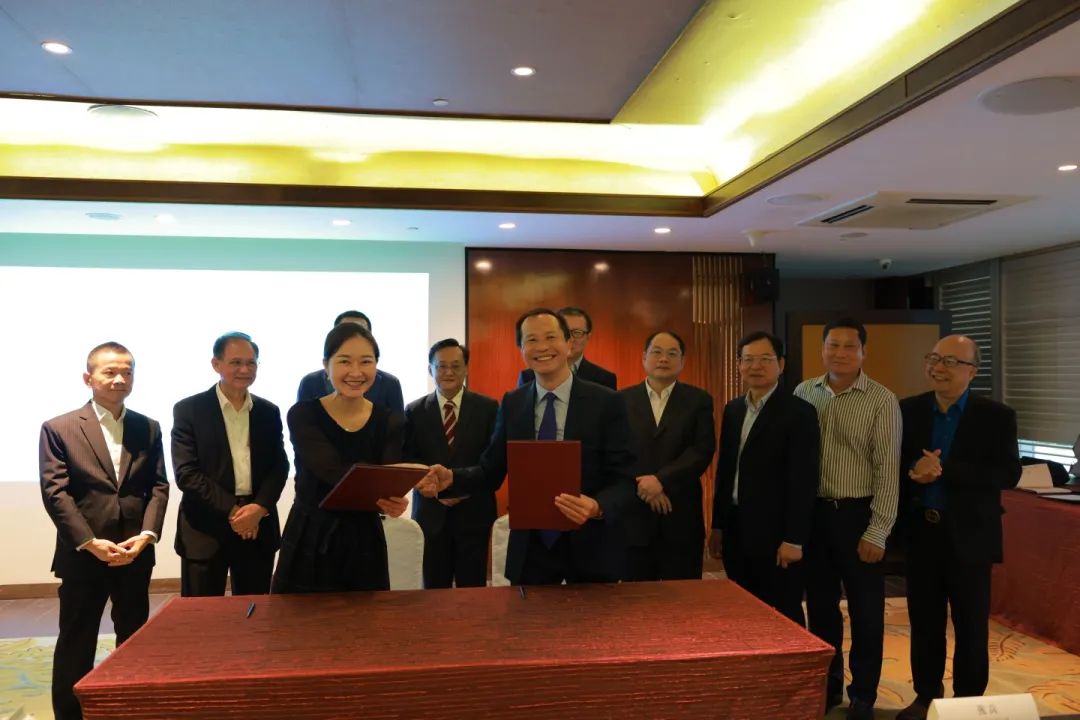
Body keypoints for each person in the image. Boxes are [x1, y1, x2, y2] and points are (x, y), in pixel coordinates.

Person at [420, 308, 635, 584]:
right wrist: (452, 478)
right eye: (531, 340)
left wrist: (597, 506)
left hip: (591, 546)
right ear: (521, 349)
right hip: (531, 552)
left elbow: (626, 477)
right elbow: (491, 469)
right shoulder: (513, 403)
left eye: (551, 337)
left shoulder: (607, 402)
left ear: (568, 343)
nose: (542, 347)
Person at [39, 342, 169, 720]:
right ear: (88, 378)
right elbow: (55, 492)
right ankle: (70, 714)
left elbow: (159, 486)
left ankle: (132, 709)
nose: (120, 379)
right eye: (110, 371)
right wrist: (89, 542)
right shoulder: (59, 428)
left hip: (134, 552)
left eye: (127, 372)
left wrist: (147, 536)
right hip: (84, 554)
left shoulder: (148, 426)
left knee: (134, 639)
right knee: (76, 641)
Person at [895, 336, 1021, 720]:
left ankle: (968, 701)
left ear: (972, 371)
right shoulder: (908, 410)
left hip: (970, 536)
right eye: (934, 358)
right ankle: (926, 695)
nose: (939, 367)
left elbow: (1008, 473)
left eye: (950, 361)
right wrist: (913, 470)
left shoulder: (996, 416)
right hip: (922, 533)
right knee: (925, 621)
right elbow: (891, 463)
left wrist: (945, 470)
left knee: (970, 624)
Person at [794, 318, 901, 720]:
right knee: (820, 609)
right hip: (814, 516)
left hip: (858, 516)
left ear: (863, 352)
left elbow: (887, 469)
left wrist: (878, 530)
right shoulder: (804, 392)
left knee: (866, 611)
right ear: (822, 349)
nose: (840, 353)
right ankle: (828, 687)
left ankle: (863, 695)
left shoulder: (881, 400)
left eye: (849, 346)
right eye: (832, 345)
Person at [272, 322, 408, 593]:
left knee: (365, 617)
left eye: (366, 361)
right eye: (344, 361)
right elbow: (330, 470)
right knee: (298, 617)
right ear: (326, 365)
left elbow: (386, 477)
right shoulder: (303, 414)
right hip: (310, 534)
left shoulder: (390, 420)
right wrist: (379, 487)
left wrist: (394, 499)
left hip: (364, 537)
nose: (356, 372)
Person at [710, 331, 819, 625]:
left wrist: (794, 539)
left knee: (783, 612)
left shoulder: (800, 413)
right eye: (748, 359)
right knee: (743, 609)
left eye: (765, 359)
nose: (755, 366)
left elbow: (804, 480)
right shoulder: (733, 410)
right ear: (739, 364)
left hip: (777, 533)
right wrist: (718, 524)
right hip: (736, 527)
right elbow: (726, 471)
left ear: (781, 364)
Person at [172, 332, 289, 596]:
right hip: (205, 527)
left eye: (251, 363)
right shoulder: (189, 410)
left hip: (257, 525)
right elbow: (187, 473)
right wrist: (235, 512)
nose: (244, 370)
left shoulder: (268, 411)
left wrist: (259, 508)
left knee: (254, 611)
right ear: (216, 364)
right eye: (236, 362)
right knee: (201, 614)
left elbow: (279, 465)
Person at [619, 330, 715, 581]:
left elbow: (702, 450)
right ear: (644, 357)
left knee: (682, 595)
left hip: (680, 514)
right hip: (634, 514)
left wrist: (661, 480)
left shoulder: (699, 400)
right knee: (635, 596)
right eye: (657, 352)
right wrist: (644, 484)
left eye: (672, 353)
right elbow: (616, 452)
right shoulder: (621, 400)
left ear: (682, 361)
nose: (664, 359)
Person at [404, 338, 498, 588]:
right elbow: (409, 459)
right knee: (434, 589)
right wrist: (434, 488)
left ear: (466, 368)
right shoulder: (414, 411)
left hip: (474, 511)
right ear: (430, 369)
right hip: (431, 513)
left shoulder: (488, 408)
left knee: (472, 589)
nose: (448, 372)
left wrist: (459, 486)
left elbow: (492, 459)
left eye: (456, 366)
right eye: (441, 366)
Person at [296, 310, 405, 414]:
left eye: (360, 332)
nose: (355, 373)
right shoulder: (310, 382)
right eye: (345, 332)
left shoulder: (390, 383)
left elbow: (398, 423)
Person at [517, 306, 617, 390]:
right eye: (565, 332)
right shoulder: (528, 376)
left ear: (588, 337)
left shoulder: (604, 378)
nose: (570, 338)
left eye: (577, 333)